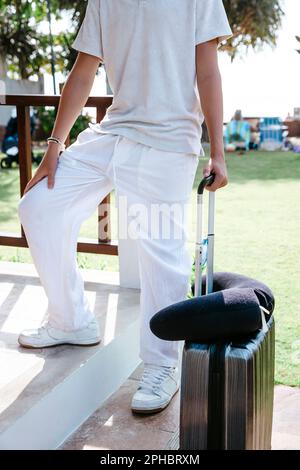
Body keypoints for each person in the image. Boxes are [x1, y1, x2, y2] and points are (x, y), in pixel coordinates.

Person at [17, 0, 232, 414]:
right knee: (39, 207)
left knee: (161, 252)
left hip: (169, 143)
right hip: (113, 132)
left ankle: (162, 364)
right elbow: (83, 71)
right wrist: (54, 147)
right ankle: (71, 320)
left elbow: (207, 70)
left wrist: (218, 151)